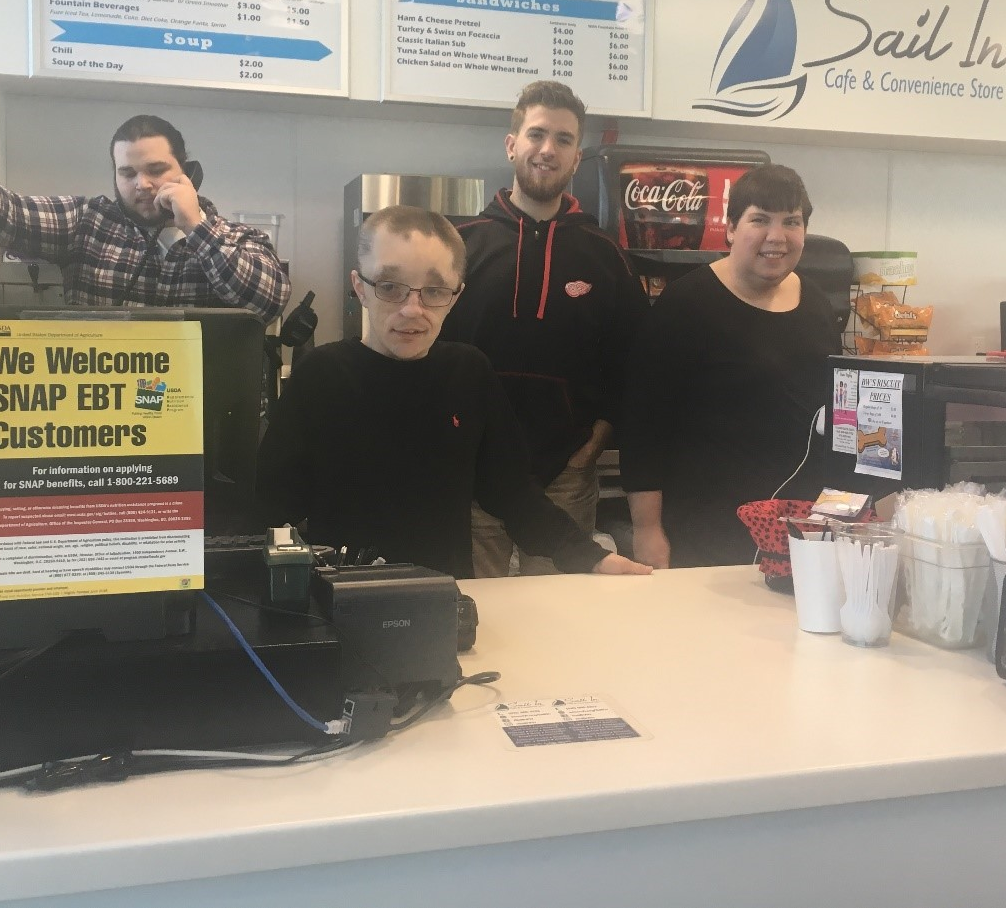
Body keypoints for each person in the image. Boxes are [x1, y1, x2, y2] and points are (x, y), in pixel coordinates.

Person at [257, 204, 650, 579]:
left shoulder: (468, 372)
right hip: (340, 599)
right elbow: (271, 509)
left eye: (434, 290)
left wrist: (589, 555)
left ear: (456, 296)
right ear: (360, 287)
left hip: (444, 598)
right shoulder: (320, 375)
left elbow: (511, 493)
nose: (412, 309)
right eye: (391, 286)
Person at [442, 81, 647, 577]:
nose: (547, 149)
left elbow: (632, 365)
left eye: (563, 139)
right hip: (474, 473)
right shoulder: (457, 247)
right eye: (536, 134)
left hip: (566, 476)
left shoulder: (607, 258)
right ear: (512, 144)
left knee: (559, 618)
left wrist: (593, 445)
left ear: (577, 158)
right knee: (477, 613)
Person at [621, 164, 841, 569]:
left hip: (799, 525)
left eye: (791, 222)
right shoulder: (686, 306)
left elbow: (834, 414)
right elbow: (643, 430)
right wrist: (647, 530)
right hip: (706, 529)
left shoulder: (816, 303)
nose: (776, 237)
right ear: (731, 228)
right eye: (760, 220)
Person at [0, 114, 289, 322]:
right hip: (97, 418)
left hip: (195, 420)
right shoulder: (88, 222)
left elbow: (268, 302)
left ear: (188, 171)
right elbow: (12, 211)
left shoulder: (237, 239)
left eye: (156, 170)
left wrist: (196, 227)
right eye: (127, 173)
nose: (142, 184)